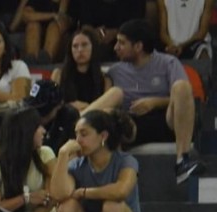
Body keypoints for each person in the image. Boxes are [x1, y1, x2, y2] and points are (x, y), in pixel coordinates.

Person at [81, 19, 204, 185]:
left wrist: (154, 102)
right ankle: (80, 123)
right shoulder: (115, 71)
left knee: (182, 86)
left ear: (138, 47)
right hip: (133, 123)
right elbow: (107, 109)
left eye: (122, 43)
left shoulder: (168, 62)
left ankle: (182, 161)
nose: (116, 47)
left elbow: (185, 98)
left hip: (167, 120)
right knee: (113, 102)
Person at [51, 27, 111, 112]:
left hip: (93, 118)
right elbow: (52, 105)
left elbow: (107, 109)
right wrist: (70, 106)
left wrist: (87, 108)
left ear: (93, 47)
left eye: (84, 45)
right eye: (75, 46)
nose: (80, 50)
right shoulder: (58, 74)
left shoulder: (105, 79)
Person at [9, 0, 70, 64]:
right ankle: (31, 59)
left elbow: (62, 20)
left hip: (58, 39)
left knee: (54, 27)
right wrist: (52, 15)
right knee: (33, 25)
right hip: (36, 33)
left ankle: (46, 58)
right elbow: (26, 15)